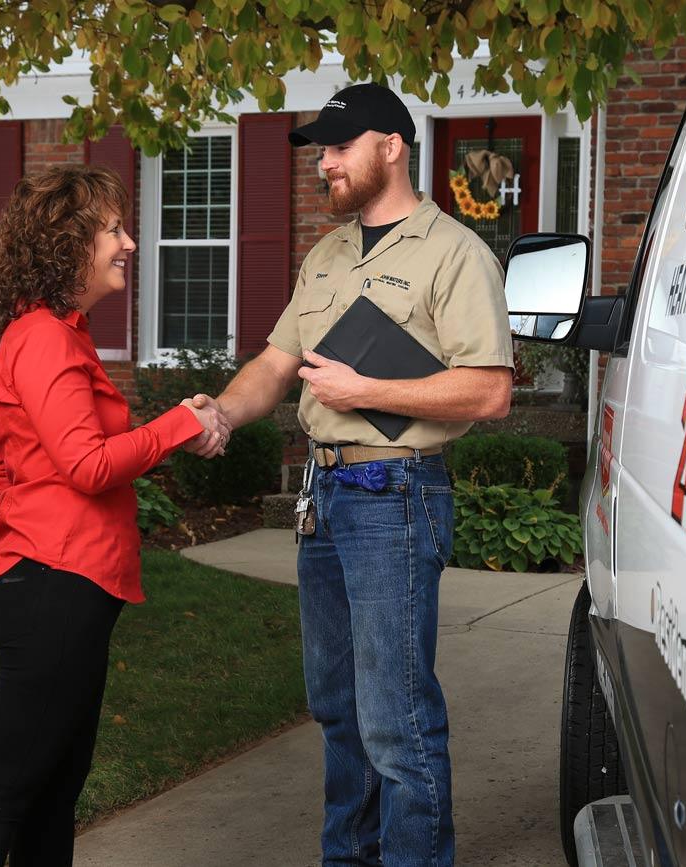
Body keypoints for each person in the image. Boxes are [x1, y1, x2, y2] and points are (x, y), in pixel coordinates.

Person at [186, 82, 513, 866]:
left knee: (394, 717)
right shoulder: (326, 255)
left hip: (397, 496)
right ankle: (349, 856)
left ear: (391, 146)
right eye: (321, 151)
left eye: (338, 147)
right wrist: (225, 413)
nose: (324, 163)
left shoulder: (453, 251)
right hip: (325, 497)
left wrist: (366, 390)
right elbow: (276, 363)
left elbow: (491, 388)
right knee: (337, 709)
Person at [0, 165, 231, 867]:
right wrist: (182, 425)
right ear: (70, 242)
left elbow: (3, 455)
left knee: (52, 792)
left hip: (62, 583)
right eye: (115, 229)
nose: (130, 242)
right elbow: (89, 463)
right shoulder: (44, 339)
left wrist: (25, 516)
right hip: (51, 590)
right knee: (6, 792)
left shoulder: (60, 335)